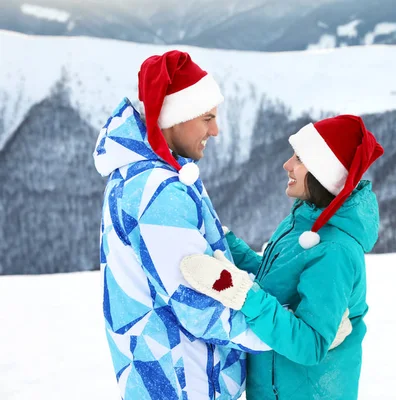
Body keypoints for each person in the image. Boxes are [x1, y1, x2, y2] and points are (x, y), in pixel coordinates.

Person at [93, 50, 271, 400]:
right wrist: (288, 334)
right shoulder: (157, 194)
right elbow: (197, 302)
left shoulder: (141, 175)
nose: (216, 130)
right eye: (207, 118)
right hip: (185, 381)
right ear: (175, 118)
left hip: (166, 377)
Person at [180, 115, 384, 399]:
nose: (287, 165)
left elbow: (310, 343)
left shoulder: (335, 251)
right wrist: (223, 240)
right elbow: (275, 279)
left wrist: (244, 295)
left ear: (323, 173)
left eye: (299, 159)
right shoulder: (305, 221)